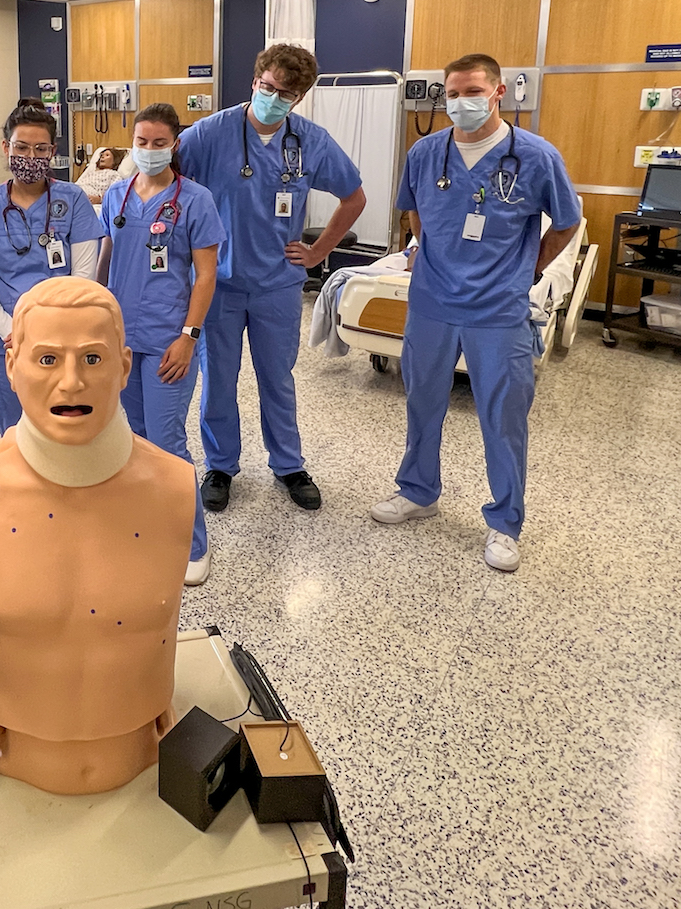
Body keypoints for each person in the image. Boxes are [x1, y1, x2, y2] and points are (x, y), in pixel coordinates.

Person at [0, 277, 194, 795]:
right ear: (11, 365)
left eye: (93, 359)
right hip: (12, 767)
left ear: (125, 366)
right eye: (47, 359)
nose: (72, 382)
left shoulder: (174, 484)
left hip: (144, 762)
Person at [370, 53, 581, 572]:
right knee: (422, 403)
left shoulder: (535, 156)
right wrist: (430, 248)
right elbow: (413, 209)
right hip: (432, 304)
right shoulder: (425, 153)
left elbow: (567, 222)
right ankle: (418, 490)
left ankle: (505, 523)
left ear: (498, 92)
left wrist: (528, 270)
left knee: (503, 418)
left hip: (498, 311)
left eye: (471, 91)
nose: (459, 102)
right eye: (452, 93)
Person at [178, 44, 365, 514]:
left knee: (277, 379)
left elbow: (354, 196)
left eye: (286, 93)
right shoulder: (208, 134)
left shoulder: (310, 141)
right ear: (255, 79)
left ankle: (288, 465)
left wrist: (319, 250)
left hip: (278, 285)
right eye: (269, 87)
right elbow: (168, 186)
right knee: (218, 378)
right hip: (218, 285)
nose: (274, 97)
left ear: (299, 98)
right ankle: (220, 466)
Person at [97, 104, 224, 585]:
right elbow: (104, 263)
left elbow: (206, 275)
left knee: (168, 445)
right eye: (142, 141)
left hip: (171, 338)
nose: (149, 150)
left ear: (175, 145)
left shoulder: (194, 200)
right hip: (124, 341)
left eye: (159, 143)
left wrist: (188, 338)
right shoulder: (117, 195)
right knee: (132, 441)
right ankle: (145, 530)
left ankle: (192, 543)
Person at [0, 99, 98, 432]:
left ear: (52, 151)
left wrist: (50, 326)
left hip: (62, 333)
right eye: (21, 147)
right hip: (4, 339)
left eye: (40, 149)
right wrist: (10, 331)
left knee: (62, 429)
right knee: (15, 434)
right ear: (6, 147)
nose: (30, 157)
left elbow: (83, 275)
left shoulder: (73, 199)